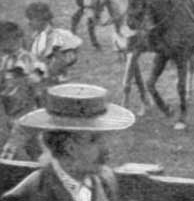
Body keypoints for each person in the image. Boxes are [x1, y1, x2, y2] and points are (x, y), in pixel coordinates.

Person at [0, 83, 135, 201]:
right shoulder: (27, 195)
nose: (106, 150)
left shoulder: (106, 180)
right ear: (69, 147)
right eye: (95, 141)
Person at [0, 21, 41, 160]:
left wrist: (25, 77)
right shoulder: (4, 59)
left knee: (13, 144)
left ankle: (7, 168)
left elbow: (38, 76)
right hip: (10, 107)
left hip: (25, 106)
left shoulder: (26, 58)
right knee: (32, 144)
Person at [26, 2, 82, 84]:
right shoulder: (37, 36)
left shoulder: (54, 37)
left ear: (41, 20)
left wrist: (41, 75)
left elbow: (60, 60)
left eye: (32, 19)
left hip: (51, 78)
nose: (29, 23)